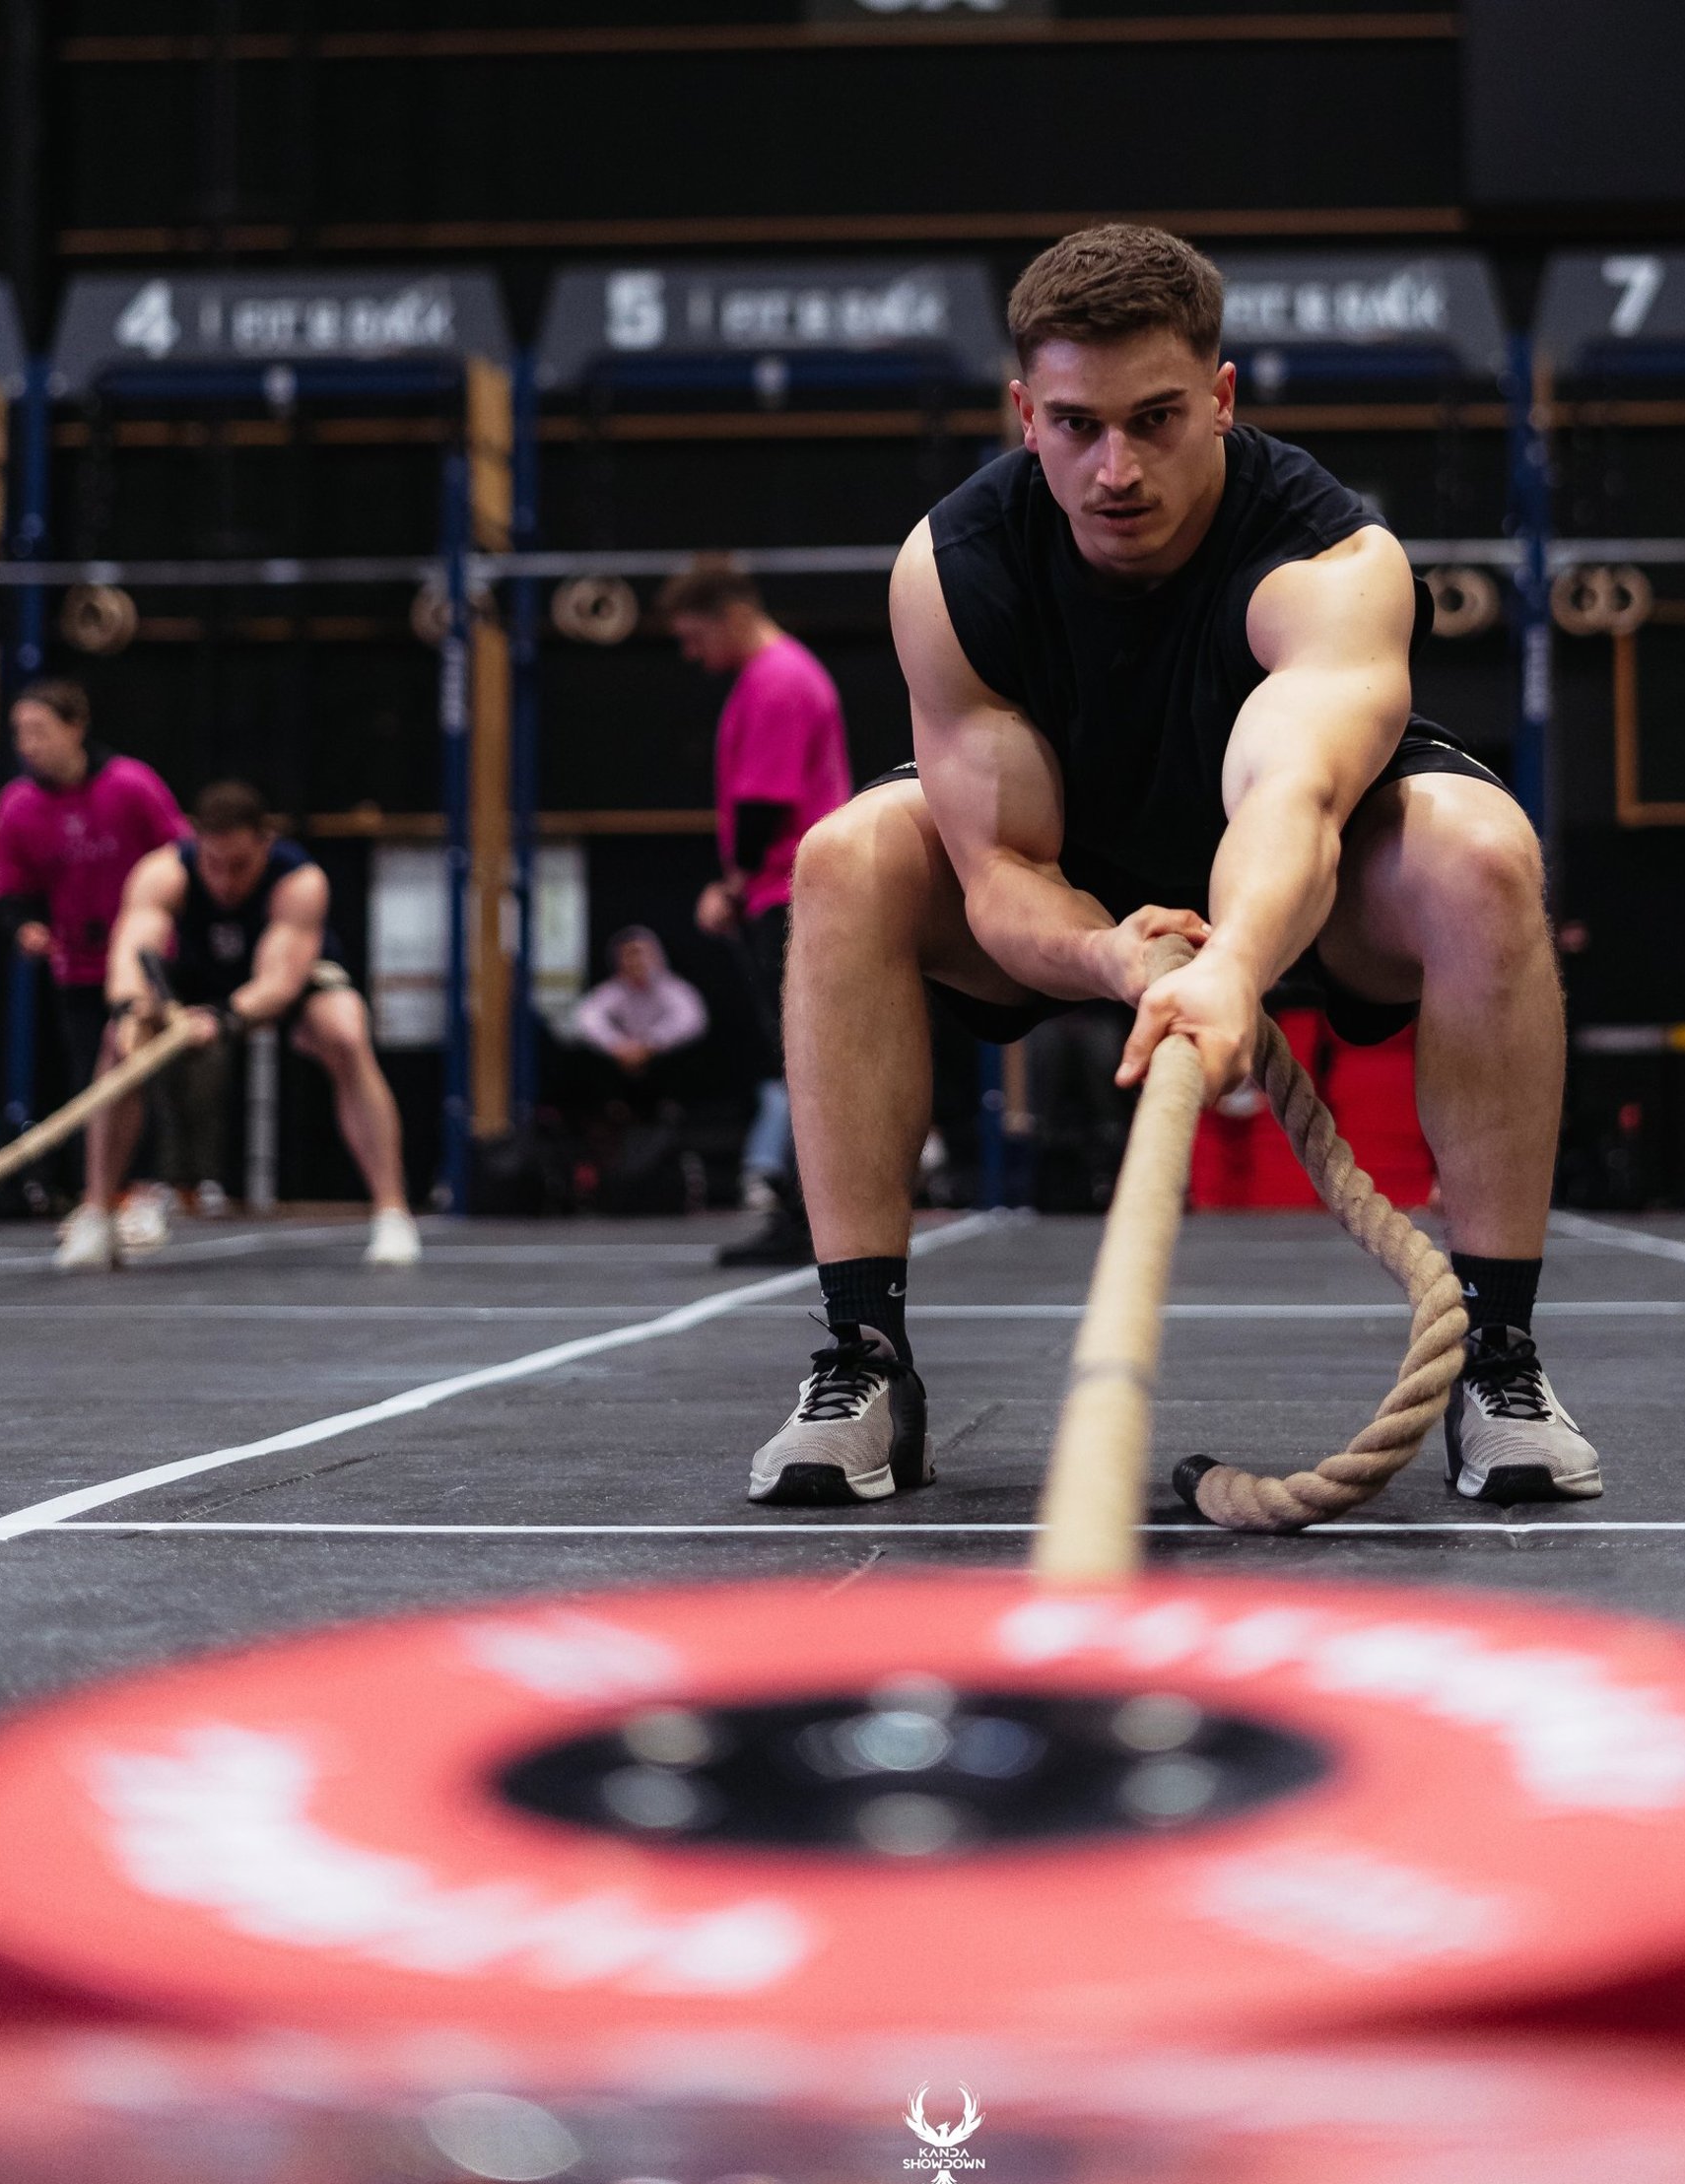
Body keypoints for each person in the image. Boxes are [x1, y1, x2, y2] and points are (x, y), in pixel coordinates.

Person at [747, 225, 1601, 1509]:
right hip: (1065, 889)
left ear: (1221, 397)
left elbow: (1293, 795)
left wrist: (1236, 963)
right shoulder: (956, 567)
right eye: (1079, 425)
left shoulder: (1327, 561)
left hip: (1310, 887)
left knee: (1486, 854)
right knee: (845, 856)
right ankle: (864, 1355)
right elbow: (999, 870)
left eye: (1156, 419)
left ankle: (1500, 1356)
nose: (1117, 467)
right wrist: (1110, 953)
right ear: (1025, 412)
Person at [57, 781, 422, 1270]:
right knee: (115, 1046)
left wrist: (223, 1019)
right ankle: (97, 1214)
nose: (225, 882)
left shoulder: (298, 880)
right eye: (214, 865)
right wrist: (130, 1012)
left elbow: (277, 981)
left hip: (279, 984)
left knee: (345, 1032)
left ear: (264, 843)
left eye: (239, 867)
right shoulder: (163, 872)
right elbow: (131, 953)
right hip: (194, 984)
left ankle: (392, 1212)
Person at [659, 561, 851, 1264]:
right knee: (801, 1061)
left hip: (787, 892)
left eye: (694, 636)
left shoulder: (775, 681)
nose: (691, 654)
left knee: (805, 1062)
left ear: (730, 616)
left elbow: (763, 804)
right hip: (789, 891)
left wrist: (732, 885)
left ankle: (813, 1223)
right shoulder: (781, 675)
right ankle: (809, 1219)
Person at [0, 681, 188, 1144]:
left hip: (148, 959)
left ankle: (155, 1188)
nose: (29, 746)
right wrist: (27, 928)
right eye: (20, 733)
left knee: (148, 1070)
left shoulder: (131, 784)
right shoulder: (17, 807)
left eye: (40, 731)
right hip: (77, 965)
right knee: (94, 1077)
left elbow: (182, 858)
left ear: (76, 727)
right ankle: (104, 1194)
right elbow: (12, 889)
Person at [568, 924, 709, 1107]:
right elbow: (586, 1018)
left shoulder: (672, 988)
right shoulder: (614, 990)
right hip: (622, 1062)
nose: (636, 961)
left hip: (661, 1063)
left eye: (641, 954)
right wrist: (616, 1045)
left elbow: (693, 1019)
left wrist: (650, 1044)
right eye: (629, 955)